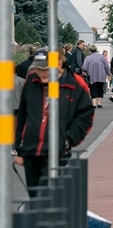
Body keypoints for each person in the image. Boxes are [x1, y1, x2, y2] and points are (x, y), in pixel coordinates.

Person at [13, 47, 94, 193]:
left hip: (57, 151)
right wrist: (18, 148)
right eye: (38, 69)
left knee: (47, 195)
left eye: (45, 69)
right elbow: (23, 114)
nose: (41, 73)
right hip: (31, 150)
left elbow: (85, 118)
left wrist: (68, 140)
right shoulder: (32, 80)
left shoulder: (75, 84)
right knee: (35, 196)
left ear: (58, 64)